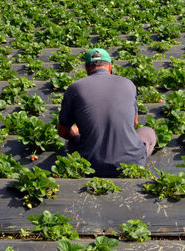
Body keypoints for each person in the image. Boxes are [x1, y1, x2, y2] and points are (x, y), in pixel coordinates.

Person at [58, 48, 157, 176]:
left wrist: (77, 132)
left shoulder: (74, 88)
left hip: (90, 165)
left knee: (75, 140)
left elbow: (63, 131)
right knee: (148, 132)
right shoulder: (128, 84)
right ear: (110, 66)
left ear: (86, 68)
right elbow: (134, 123)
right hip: (131, 162)